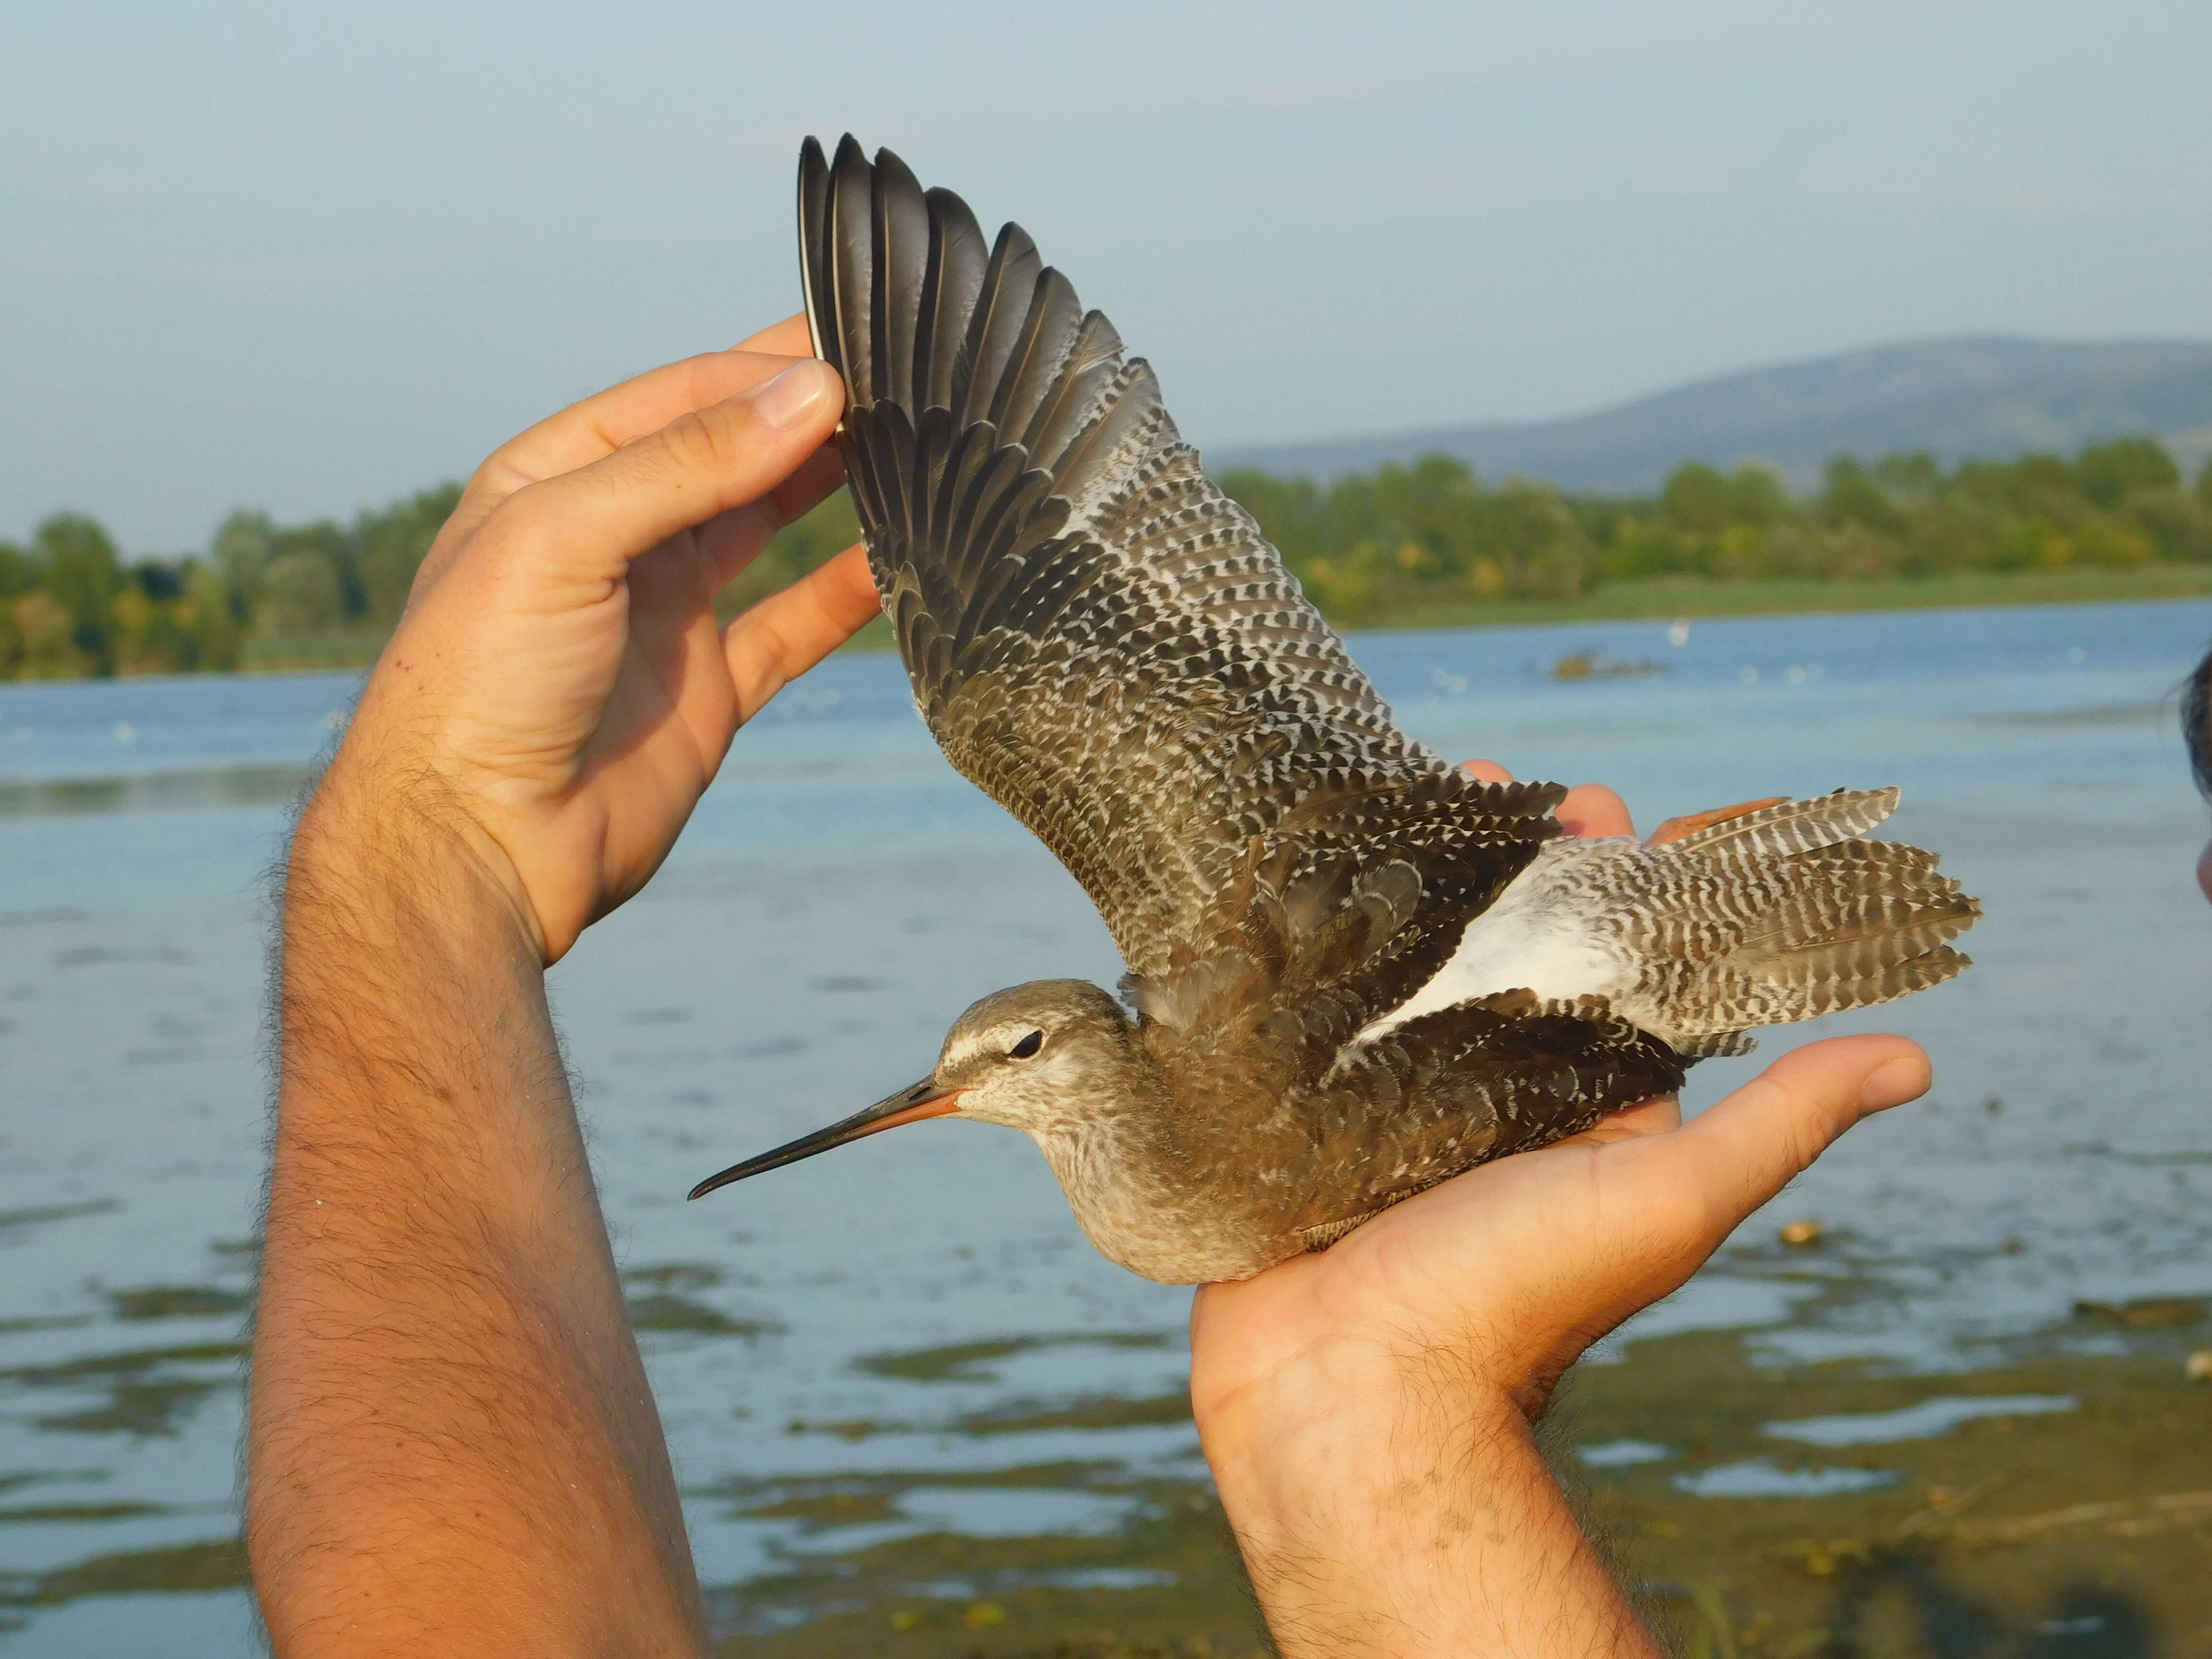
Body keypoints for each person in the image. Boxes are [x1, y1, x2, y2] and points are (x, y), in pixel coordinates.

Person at [246, 325, 1934, 1658]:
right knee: (997, 673)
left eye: (1004, 1059)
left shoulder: (1194, 989)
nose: (949, 1090)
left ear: (1085, 1044)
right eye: (967, 1071)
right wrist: (1381, 1395)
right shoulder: (1169, 1094)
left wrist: (439, 864)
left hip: (1565, 938)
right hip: (1577, 969)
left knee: (990, 680)